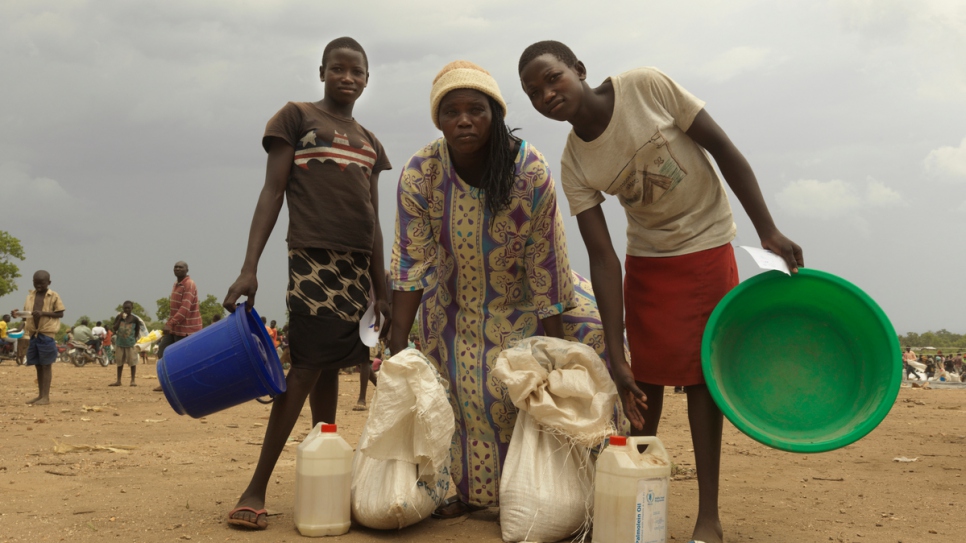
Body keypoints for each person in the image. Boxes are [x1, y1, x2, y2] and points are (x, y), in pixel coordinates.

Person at [518, 41, 804, 543]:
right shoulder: (575, 164)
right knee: (642, 380)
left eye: (552, 78)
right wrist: (614, 346)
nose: (546, 94)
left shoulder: (645, 86)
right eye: (533, 92)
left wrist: (769, 230)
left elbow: (723, 149)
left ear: (579, 70)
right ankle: (634, 499)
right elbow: (603, 258)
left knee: (700, 378)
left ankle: (708, 516)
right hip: (647, 260)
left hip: (706, 242)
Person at [390, 60, 629, 519]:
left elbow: (548, 265)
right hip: (453, 305)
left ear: (494, 113)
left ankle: (580, 481)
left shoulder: (529, 171)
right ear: (438, 120)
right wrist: (399, 344)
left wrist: (553, 349)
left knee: (592, 339)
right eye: (450, 111)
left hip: (532, 303)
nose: (463, 120)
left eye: (475, 109)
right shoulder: (421, 173)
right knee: (463, 378)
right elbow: (411, 265)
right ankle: (464, 489)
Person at [220, 36, 391, 531]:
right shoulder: (295, 118)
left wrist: (380, 288)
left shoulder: (370, 142)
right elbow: (272, 192)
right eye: (338, 69)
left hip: (358, 269)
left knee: (334, 366)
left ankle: (324, 475)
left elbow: (374, 221)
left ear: (366, 79)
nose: (348, 78)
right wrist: (250, 266)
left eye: (357, 72)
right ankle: (255, 486)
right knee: (307, 366)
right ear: (322, 71)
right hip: (313, 262)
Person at [16, 270, 65, 405]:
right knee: (38, 365)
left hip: (46, 334)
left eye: (42, 283)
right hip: (33, 334)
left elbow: (60, 313)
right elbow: (27, 315)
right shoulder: (30, 296)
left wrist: (43, 313)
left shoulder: (53, 296)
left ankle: (46, 397)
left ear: (48, 283)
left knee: (46, 365)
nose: (38, 286)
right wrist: (17, 314)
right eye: (36, 283)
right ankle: (40, 395)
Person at [152, 261, 202, 392]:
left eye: (181, 267)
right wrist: (169, 324)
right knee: (162, 351)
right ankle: (166, 383)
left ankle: (182, 385)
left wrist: (170, 323)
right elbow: (174, 309)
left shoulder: (189, 284)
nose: (178, 269)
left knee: (181, 359)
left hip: (187, 329)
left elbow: (185, 309)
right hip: (175, 327)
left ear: (187, 270)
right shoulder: (176, 284)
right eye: (176, 267)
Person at [111, 301, 144, 387]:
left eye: (128, 308)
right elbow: (114, 327)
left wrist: (134, 339)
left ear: (132, 308)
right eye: (125, 308)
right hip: (120, 343)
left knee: (132, 362)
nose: (126, 310)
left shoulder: (134, 319)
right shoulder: (119, 317)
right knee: (119, 363)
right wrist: (120, 318)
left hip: (130, 344)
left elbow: (137, 330)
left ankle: (132, 380)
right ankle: (118, 380)